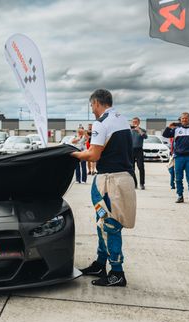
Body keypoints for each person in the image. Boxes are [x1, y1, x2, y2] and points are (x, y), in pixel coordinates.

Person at [72, 89, 136, 287]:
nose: (92, 110)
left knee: (109, 225)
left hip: (109, 182)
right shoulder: (122, 119)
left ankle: (117, 272)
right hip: (123, 178)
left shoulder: (102, 122)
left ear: (97, 103)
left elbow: (93, 155)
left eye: (92, 106)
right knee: (102, 222)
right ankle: (101, 263)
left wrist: (73, 154)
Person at [162, 113, 189, 203]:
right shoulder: (176, 130)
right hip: (179, 157)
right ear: (180, 119)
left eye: (186, 118)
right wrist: (169, 127)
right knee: (178, 178)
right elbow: (165, 135)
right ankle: (180, 195)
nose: (184, 120)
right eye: (183, 118)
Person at [130, 117, 147, 190]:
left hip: (139, 150)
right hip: (130, 150)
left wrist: (139, 130)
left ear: (139, 122)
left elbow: (145, 137)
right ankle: (134, 183)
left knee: (141, 167)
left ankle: (142, 184)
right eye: (133, 122)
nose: (135, 123)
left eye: (136, 122)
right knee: (131, 168)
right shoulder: (129, 130)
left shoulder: (142, 130)